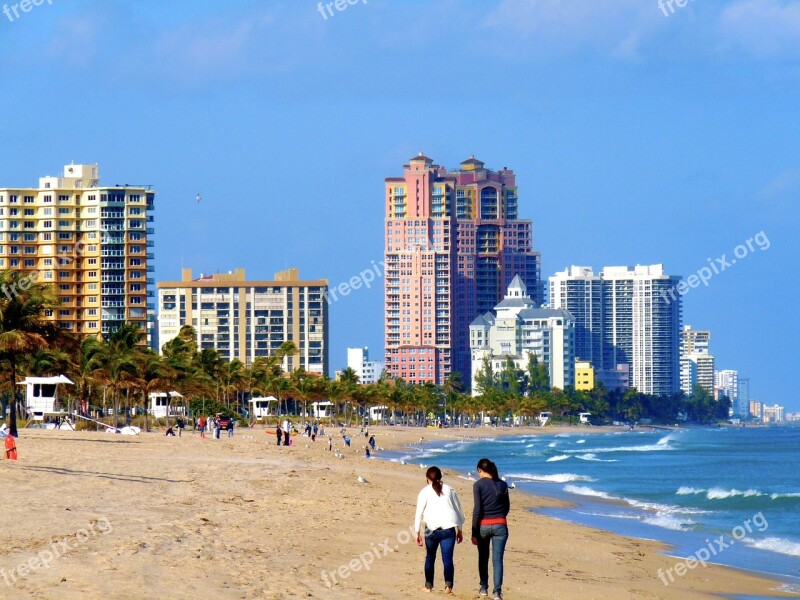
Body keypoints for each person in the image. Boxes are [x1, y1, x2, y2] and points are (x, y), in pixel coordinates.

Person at [414, 466, 465, 594]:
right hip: (448, 529)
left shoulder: (424, 492)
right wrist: (460, 529)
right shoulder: (450, 490)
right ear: (440, 477)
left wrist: (417, 532)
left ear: (427, 478)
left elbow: (418, 513)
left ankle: (428, 586)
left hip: (430, 529)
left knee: (430, 557)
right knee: (447, 558)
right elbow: (459, 510)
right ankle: (448, 587)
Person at [471, 459, 510, 600]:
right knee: (498, 559)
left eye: (478, 472)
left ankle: (483, 587)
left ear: (480, 470)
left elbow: (477, 510)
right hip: (501, 525)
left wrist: (474, 531)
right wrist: (499, 518)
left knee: (483, 557)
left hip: (483, 526)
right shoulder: (503, 484)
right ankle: (497, 592)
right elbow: (507, 508)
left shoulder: (478, 485)